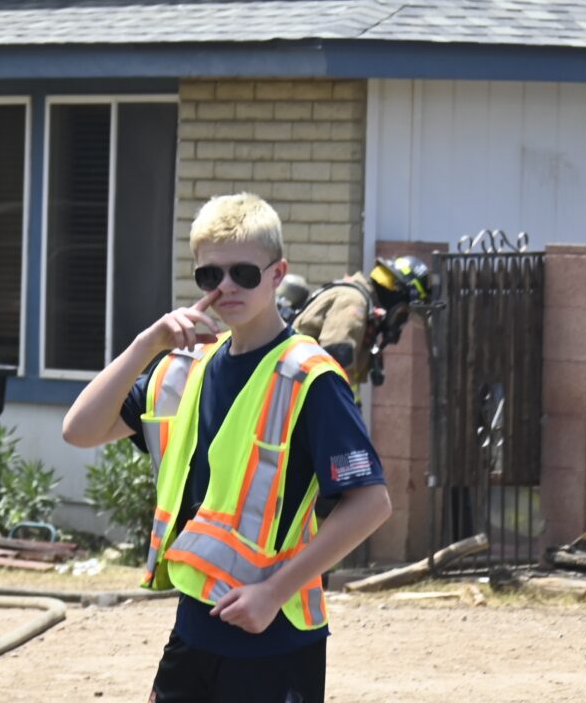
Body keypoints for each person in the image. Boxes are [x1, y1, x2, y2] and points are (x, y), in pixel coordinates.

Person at [63, 192, 392, 703]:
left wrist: (273, 592)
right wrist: (146, 344)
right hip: (195, 626)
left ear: (278, 273)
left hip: (274, 635)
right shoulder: (185, 368)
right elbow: (79, 430)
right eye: (210, 275)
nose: (226, 287)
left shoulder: (308, 375)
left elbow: (372, 503)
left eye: (243, 272)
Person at [290, 256, 430, 402]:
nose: (403, 319)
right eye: (405, 311)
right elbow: (336, 362)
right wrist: (348, 410)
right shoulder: (354, 301)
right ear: (398, 292)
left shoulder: (365, 307)